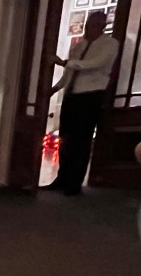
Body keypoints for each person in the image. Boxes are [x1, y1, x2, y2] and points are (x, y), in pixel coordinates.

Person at [46, 11, 119, 196]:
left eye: (93, 25)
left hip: (91, 97)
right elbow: (69, 74)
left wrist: (65, 62)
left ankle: (74, 184)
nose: (88, 28)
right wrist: (55, 89)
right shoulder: (79, 46)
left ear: (102, 25)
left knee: (81, 141)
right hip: (72, 96)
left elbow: (96, 63)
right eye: (87, 24)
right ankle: (62, 179)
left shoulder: (109, 44)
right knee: (65, 139)